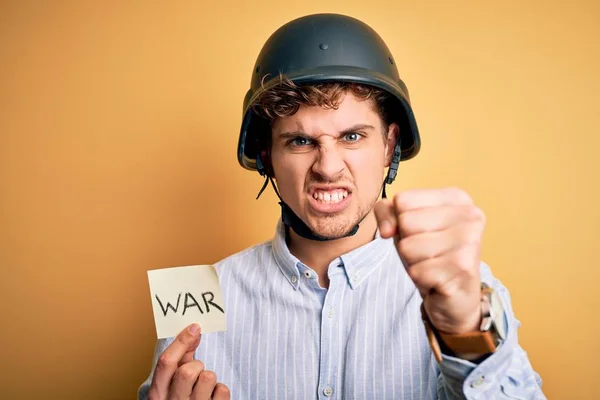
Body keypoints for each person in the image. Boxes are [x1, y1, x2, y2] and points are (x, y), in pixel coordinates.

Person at [138, 13, 546, 400]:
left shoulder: (461, 289)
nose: (328, 168)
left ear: (389, 146)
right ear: (266, 155)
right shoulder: (195, 299)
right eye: (300, 141)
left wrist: (464, 334)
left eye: (352, 136)